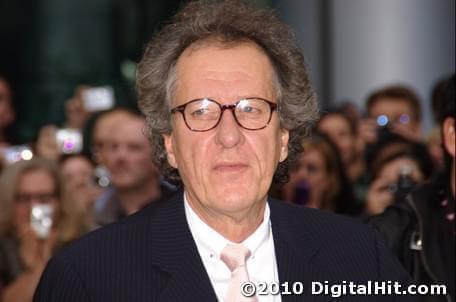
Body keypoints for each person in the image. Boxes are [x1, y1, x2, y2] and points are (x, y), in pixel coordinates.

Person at [34, 1, 416, 301]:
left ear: (283, 136)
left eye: (251, 108)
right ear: (169, 143)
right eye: (201, 111)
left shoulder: (360, 257)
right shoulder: (88, 278)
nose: (229, 135)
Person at [368, 75, 455, 301]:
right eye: (381, 120)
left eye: (402, 119)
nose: (391, 127)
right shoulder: (390, 234)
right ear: (452, 135)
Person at [0, 157, 90, 302]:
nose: (33, 208)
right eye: (23, 198)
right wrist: (36, 268)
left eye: (44, 198)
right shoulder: (3, 243)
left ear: (60, 201)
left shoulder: (82, 241)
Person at [93, 111, 175, 226]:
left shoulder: (181, 211)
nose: (120, 156)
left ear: (158, 158)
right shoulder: (93, 217)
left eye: (134, 148)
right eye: (113, 147)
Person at [278, 133, 358, 215]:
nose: (302, 175)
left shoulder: (340, 225)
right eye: (295, 168)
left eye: (312, 169)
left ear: (329, 180)